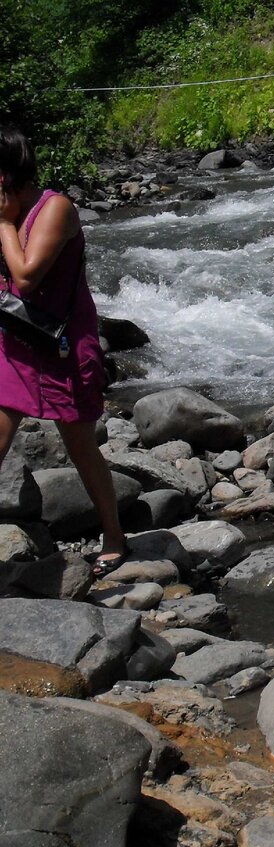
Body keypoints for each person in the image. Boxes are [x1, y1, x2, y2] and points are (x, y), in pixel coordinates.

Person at [0, 127, 127, 577]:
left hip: (61, 347)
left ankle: (114, 535)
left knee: (80, 446)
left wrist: (2, 224)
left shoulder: (53, 209)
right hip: (13, 344)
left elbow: (27, 277)